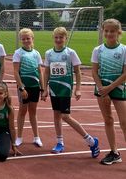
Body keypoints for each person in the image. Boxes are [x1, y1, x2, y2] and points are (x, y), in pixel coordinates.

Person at [42, 27, 100, 157]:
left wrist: (78, 89)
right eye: (56, 37)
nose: (58, 40)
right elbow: (46, 72)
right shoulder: (49, 53)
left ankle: (90, 140)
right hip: (54, 89)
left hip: (65, 89)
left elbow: (78, 72)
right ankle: (59, 142)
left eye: (61, 37)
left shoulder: (70, 52)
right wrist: (44, 88)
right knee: (56, 115)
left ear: (65, 38)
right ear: (53, 38)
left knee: (65, 116)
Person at [91, 18, 126, 165]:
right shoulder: (98, 50)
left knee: (124, 122)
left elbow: (125, 73)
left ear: (118, 32)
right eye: (106, 31)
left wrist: (109, 88)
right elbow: (94, 72)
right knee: (108, 120)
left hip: (118, 88)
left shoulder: (124, 49)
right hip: (102, 89)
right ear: (103, 31)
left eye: (112, 31)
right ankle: (114, 152)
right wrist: (102, 90)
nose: (109, 33)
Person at [13, 28, 44, 148]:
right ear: (21, 40)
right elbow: (16, 72)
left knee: (33, 112)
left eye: (28, 38)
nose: (26, 40)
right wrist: (21, 88)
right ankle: (19, 137)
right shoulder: (18, 53)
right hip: (24, 88)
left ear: (32, 39)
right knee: (22, 111)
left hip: (35, 87)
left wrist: (42, 88)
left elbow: (40, 71)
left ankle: (36, 137)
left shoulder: (36, 53)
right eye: (23, 39)